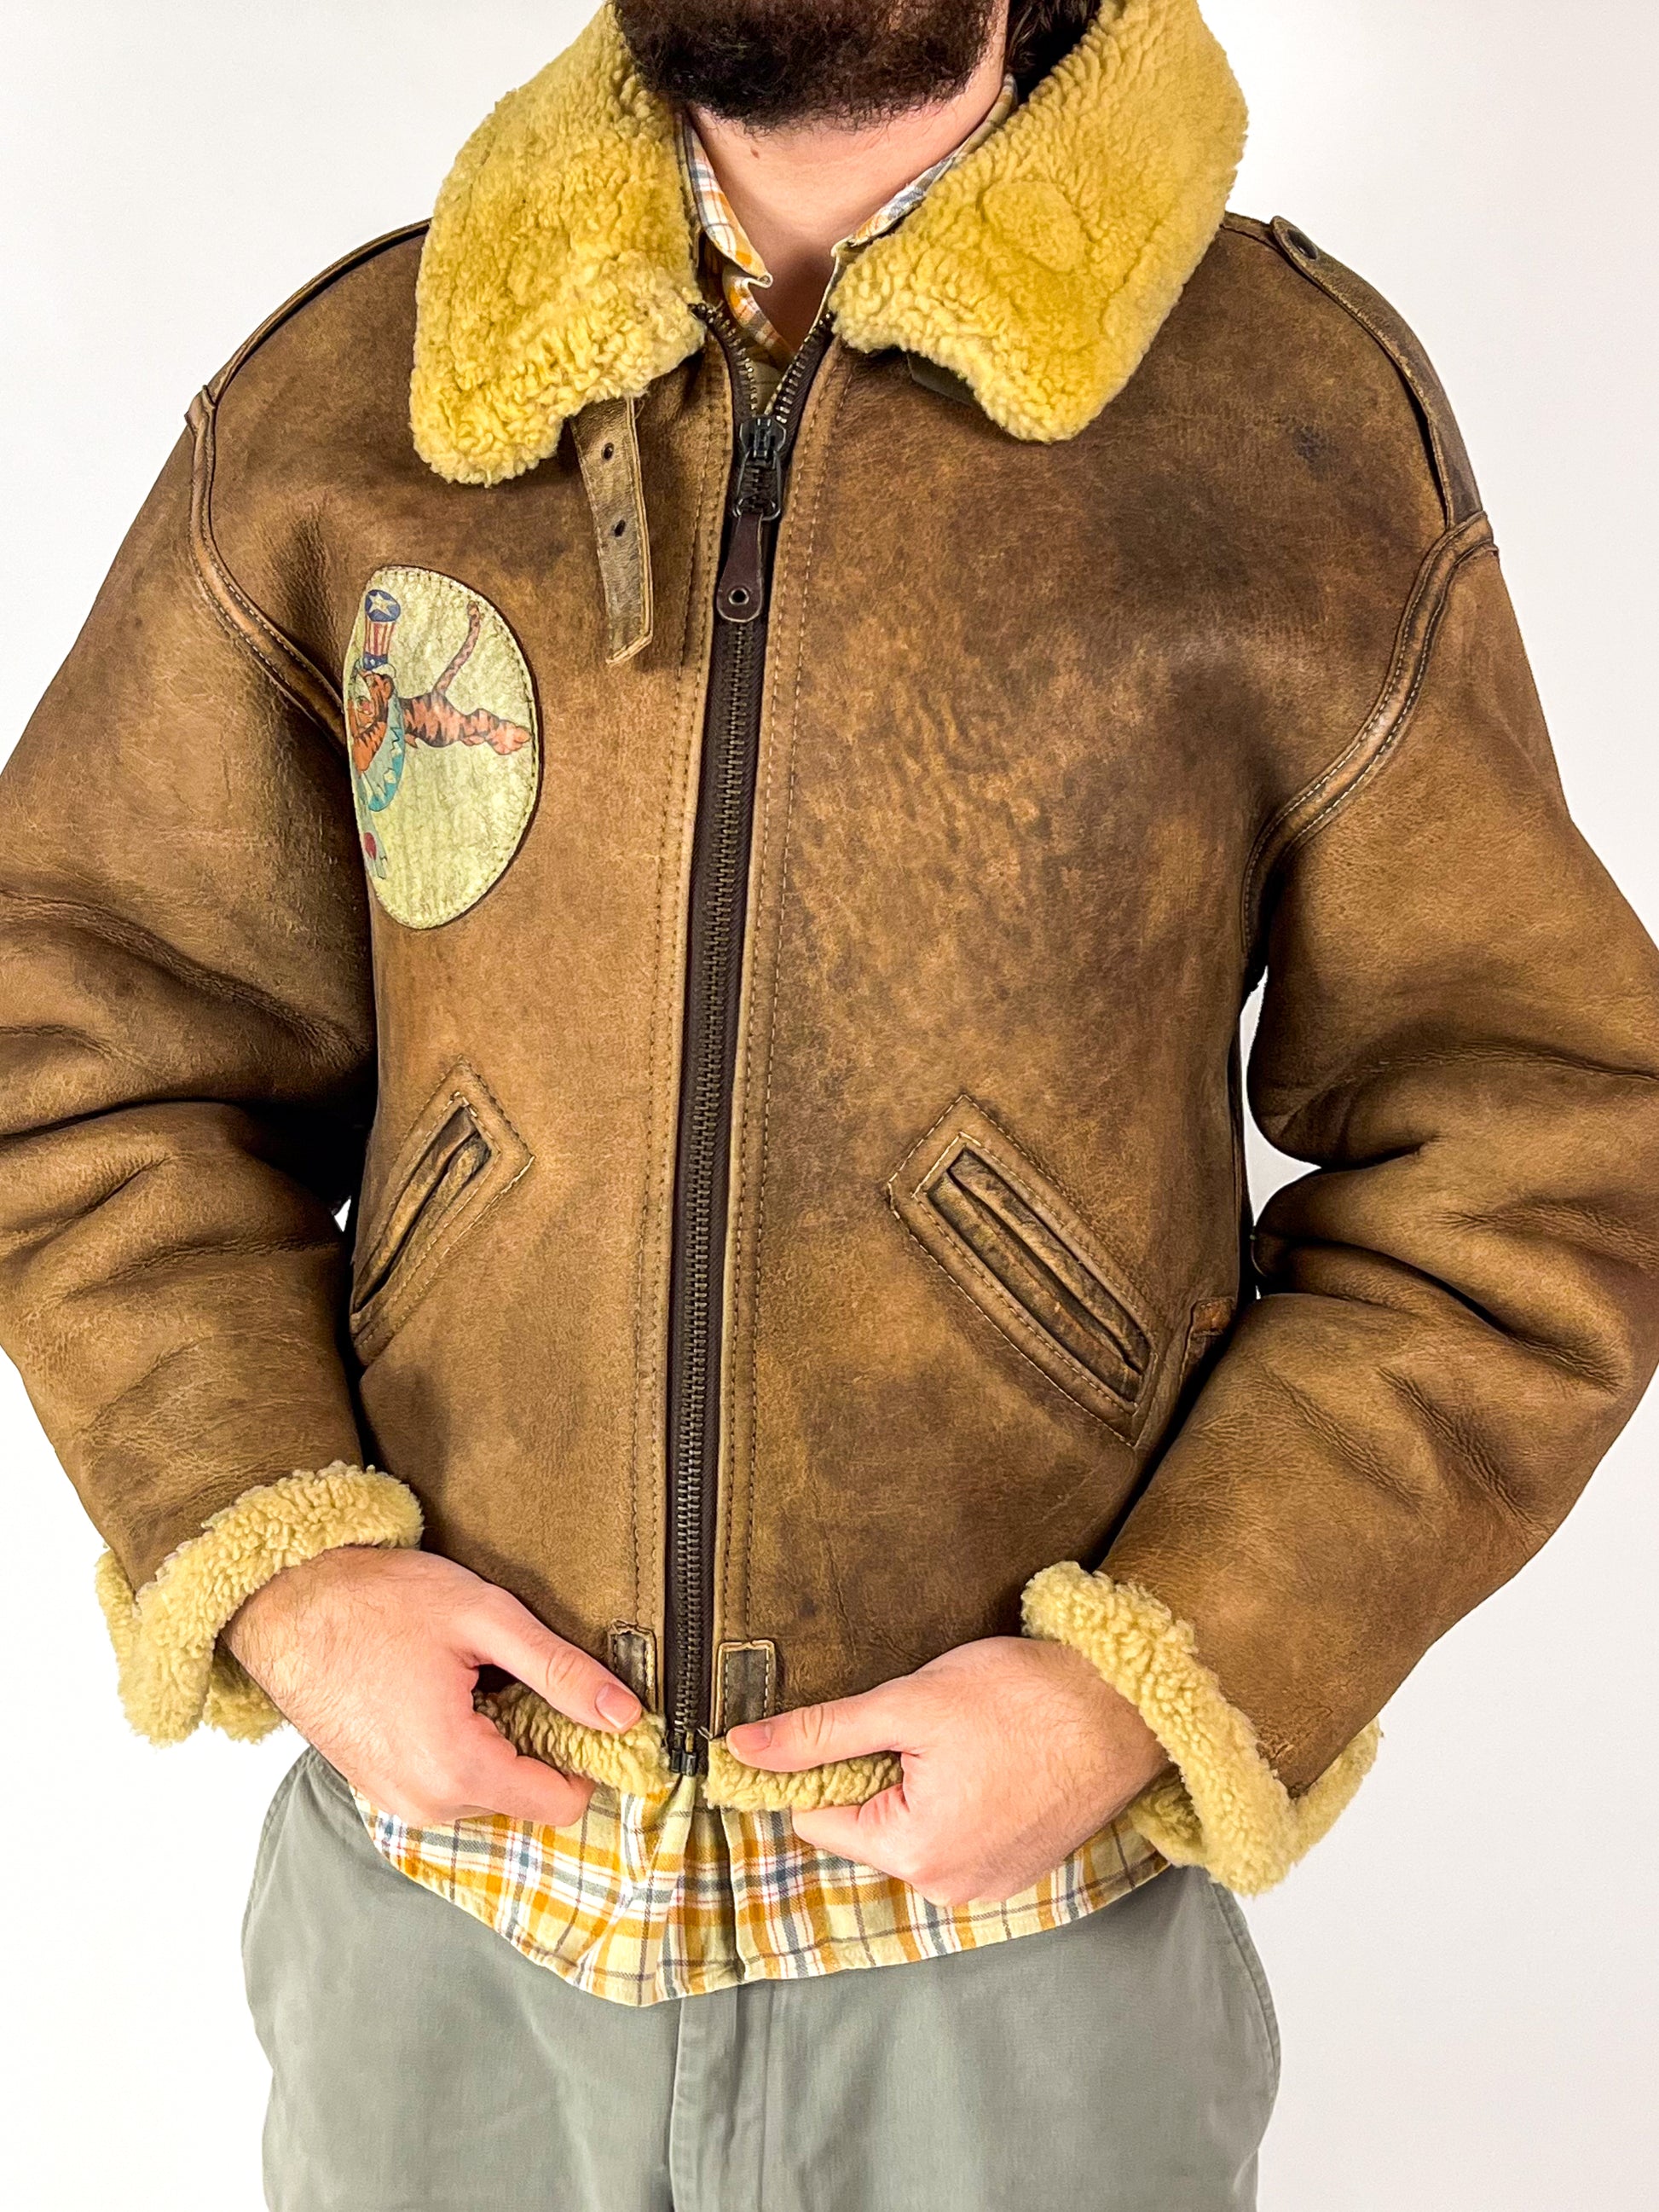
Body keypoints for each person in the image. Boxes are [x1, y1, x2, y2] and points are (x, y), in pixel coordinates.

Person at [5, 1, 1657, 2205]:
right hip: (444, 1933)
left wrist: (1147, 1683)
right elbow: (85, 1033)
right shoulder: (358, 404)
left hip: (1018, 1964)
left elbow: (1546, 1139)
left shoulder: (1284, 425)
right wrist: (283, 1567)